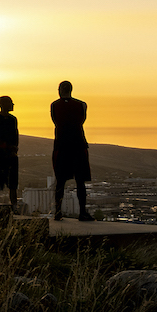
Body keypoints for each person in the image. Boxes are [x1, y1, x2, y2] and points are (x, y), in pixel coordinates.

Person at [50, 80, 93, 221]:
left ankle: (57, 211)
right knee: (80, 181)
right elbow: (82, 120)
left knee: (60, 181)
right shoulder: (81, 105)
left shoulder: (54, 106)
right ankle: (82, 212)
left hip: (62, 145)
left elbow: (55, 121)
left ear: (59, 90)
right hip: (78, 144)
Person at [0, 95, 19, 208]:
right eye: (10, 103)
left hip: (12, 154)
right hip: (0, 154)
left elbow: (16, 135)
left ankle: (14, 206)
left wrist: (14, 148)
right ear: (4, 105)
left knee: (13, 183)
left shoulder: (13, 119)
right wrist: (6, 147)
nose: (13, 105)